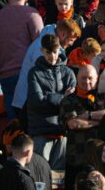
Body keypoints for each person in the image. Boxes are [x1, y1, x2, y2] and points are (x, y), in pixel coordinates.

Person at [0, 0, 43, 118]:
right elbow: (40, 45)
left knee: (13, 122)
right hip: (29, 74)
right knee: (31, 119)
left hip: (6, 75)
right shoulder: (32, 14)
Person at [27, 33, 76, 169]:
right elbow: (37, 102)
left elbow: (72, 104)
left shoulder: (68, 73)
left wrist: (48, 97)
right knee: (40, 177)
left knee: (58, 179)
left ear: (59, 49)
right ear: (42, 50)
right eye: (48, 52)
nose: (52, 56)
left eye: (55, 52)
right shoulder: (34, 73)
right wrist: (62, 98)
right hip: (41, 132)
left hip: (62, 132)